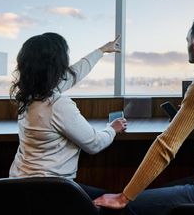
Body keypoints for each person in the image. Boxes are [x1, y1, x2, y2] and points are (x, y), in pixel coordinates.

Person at [94, 18, 194, 215]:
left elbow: (166, 146)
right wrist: (191, 115)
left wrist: (124, 197)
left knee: (124, 209)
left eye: (187, 40)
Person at [9, 32, 127, 199]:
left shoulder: (27, 97)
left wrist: (101, 51)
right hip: (52, 193)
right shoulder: (56, 104)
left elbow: (72, 76)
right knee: (115, 200)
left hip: (18, 188)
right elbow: (94, 144)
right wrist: (112, 129)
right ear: (57, 66)